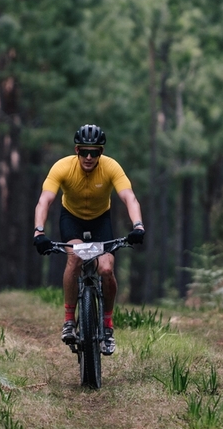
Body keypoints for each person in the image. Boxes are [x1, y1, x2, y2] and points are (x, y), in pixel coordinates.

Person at [32, 124, 145, 355]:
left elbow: (129, 197)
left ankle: (107, 325)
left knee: (106, 269)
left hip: (100, 220)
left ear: (101, 152)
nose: (89, 157)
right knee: (74, 258)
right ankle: (69, 321)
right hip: (71, 219)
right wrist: (39, 231)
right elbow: (45, 200)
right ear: (77, 150)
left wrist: (138, 225)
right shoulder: (62, 167)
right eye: (84, 151)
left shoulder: (111, 167)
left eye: (95, 152)